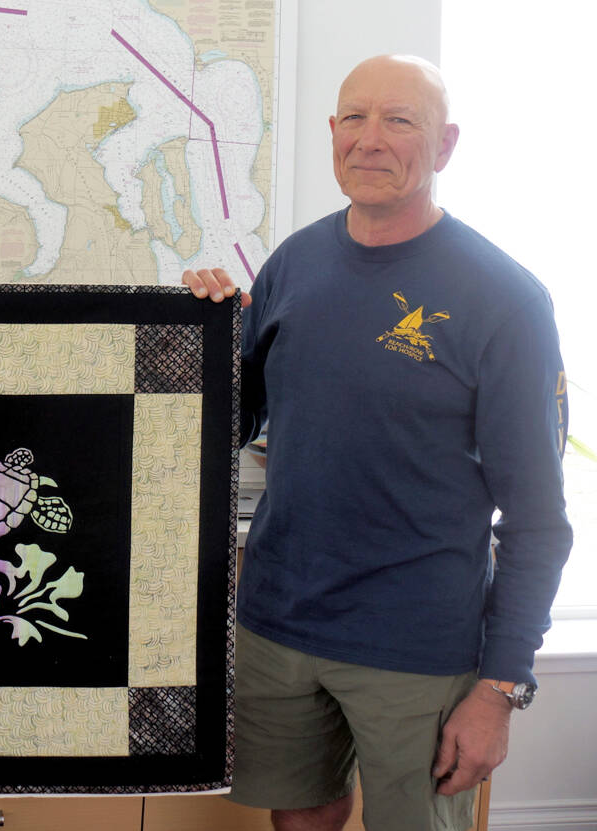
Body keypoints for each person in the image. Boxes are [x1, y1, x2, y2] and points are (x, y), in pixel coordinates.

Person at [183, 55, 570, 831]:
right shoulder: (294, 263)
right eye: (354, 118)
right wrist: (199, 330)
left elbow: (537, 523)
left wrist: (499, 689)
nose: (370, 139)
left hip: (418, 644)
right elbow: (232, 421)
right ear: (333, 131)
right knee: (301, 817)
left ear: (445, 143)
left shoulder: (506, 299)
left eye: (399, 120)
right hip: (279, 623)